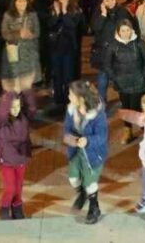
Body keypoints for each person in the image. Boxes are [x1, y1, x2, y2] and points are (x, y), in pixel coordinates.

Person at [63, 79, 108, 225]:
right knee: (73, 179)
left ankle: (94, 207)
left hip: (93, 154)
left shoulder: (98, 115)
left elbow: (102, 137)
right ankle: (81, 193)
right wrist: (69, 138)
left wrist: (87, 141)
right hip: (77, 152)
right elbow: (67, 129)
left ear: (81, 98)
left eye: (71, 94)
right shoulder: (71, 110)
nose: (69, 97)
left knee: (90, 183)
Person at [104, 20, 145, 142]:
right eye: (122, 30)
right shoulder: (113, 45)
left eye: (127, 30)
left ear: (131, 30)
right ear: (118, 32)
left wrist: (143, 75)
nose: (125, 33)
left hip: (137, 80)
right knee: (125, 107)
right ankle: (127, 130)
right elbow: (107, 64)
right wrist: (114, 77)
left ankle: (144, 126)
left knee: (135, 106)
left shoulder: (139, 43)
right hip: (122, 82)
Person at [0, 89, 37, 220]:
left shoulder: (23, 118)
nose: (16, 109)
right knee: (10, 188)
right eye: (12, 107)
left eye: (18, 106)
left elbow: (32, 107)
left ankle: (17, 206)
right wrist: (10, 96)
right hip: (6, 161)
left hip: (21, 158)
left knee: (18, 187)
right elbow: (0, 113)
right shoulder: (1, 122)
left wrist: (26, 89)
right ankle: (5, 207)